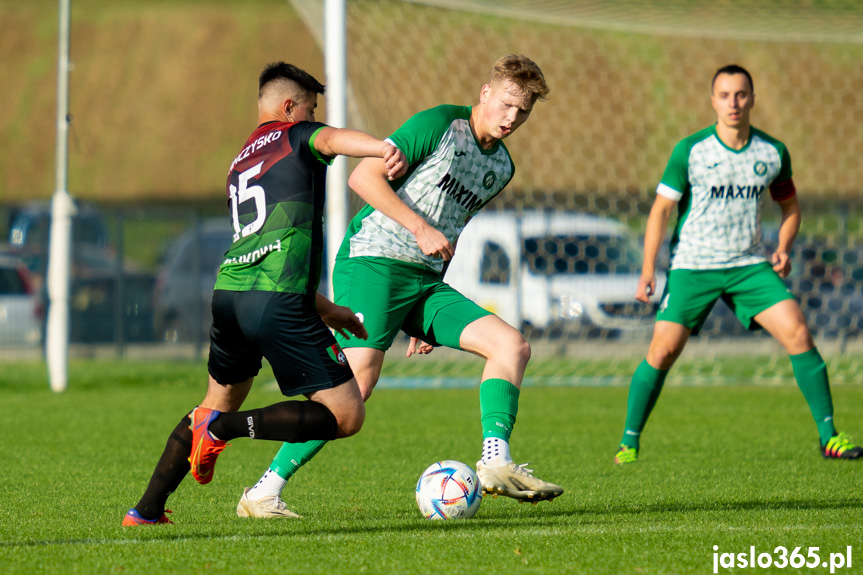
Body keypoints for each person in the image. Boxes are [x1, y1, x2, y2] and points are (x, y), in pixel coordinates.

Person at [236, 54, 564, 519]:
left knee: (512, 346)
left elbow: (449, 226)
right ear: (485, 94)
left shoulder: (502, 168)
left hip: (423, 280)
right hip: (374, 261)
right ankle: (264, 490)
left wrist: (423, 319)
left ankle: (496, 461)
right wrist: (418, 228)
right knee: (357, 384)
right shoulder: (440, 124)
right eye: (507, 103)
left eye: (524, 111)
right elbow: (363, 177)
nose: (512, 117)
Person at [122, 61, 407, 525]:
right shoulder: (295, 137)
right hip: (276, 303)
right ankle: (222, 430)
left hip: (231, 297)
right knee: (346, 414)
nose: (315, 119)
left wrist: (328, 309)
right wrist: (383, 148)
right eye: (311, 110)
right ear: (289, 107)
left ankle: (147, 509)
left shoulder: (241, 160)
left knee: (213, 402)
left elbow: (266, 252)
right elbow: (332, 140)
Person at [614, 64, 862, 465]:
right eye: (725, 95)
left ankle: (829, 436)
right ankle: (629, 441)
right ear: (713, 101)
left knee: (799, 331)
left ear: (752, 99)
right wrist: (648, 271)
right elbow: (661, 210)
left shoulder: (772, 152)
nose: (733, 103)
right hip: (693, 265)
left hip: (748, 265)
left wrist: (784, 245)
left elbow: (790, 206)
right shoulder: (690, 151)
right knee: (662, 352)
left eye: (741, 94)